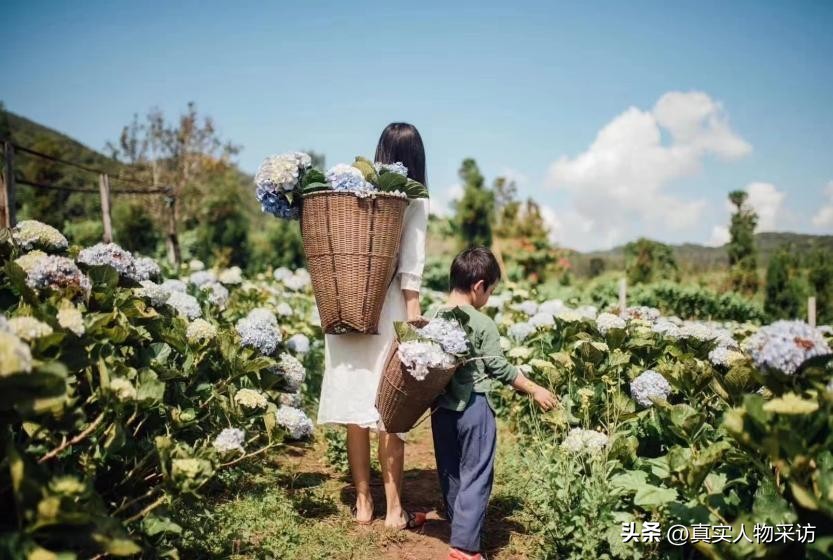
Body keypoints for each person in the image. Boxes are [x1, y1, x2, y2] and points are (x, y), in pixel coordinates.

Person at [317, 123, 429, 529]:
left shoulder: (359, 191)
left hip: (345, 306)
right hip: (386, 312)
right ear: (417, 157)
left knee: (355, 410)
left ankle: (364, 503)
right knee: (389, 411)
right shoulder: (412, 198)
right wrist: (414, 318)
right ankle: (395, 510)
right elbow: (411, 266)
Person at [432, 247, 558, 560]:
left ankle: (458, 522)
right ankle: (464, 547)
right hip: (474, 406)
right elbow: (497, 367)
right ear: (479, 286)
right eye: (490, 290)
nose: (489, 297)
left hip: (441, 408)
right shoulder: (482, 323)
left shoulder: (435, 317)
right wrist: (534, 389)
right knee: (477, 472)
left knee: (450, 469)